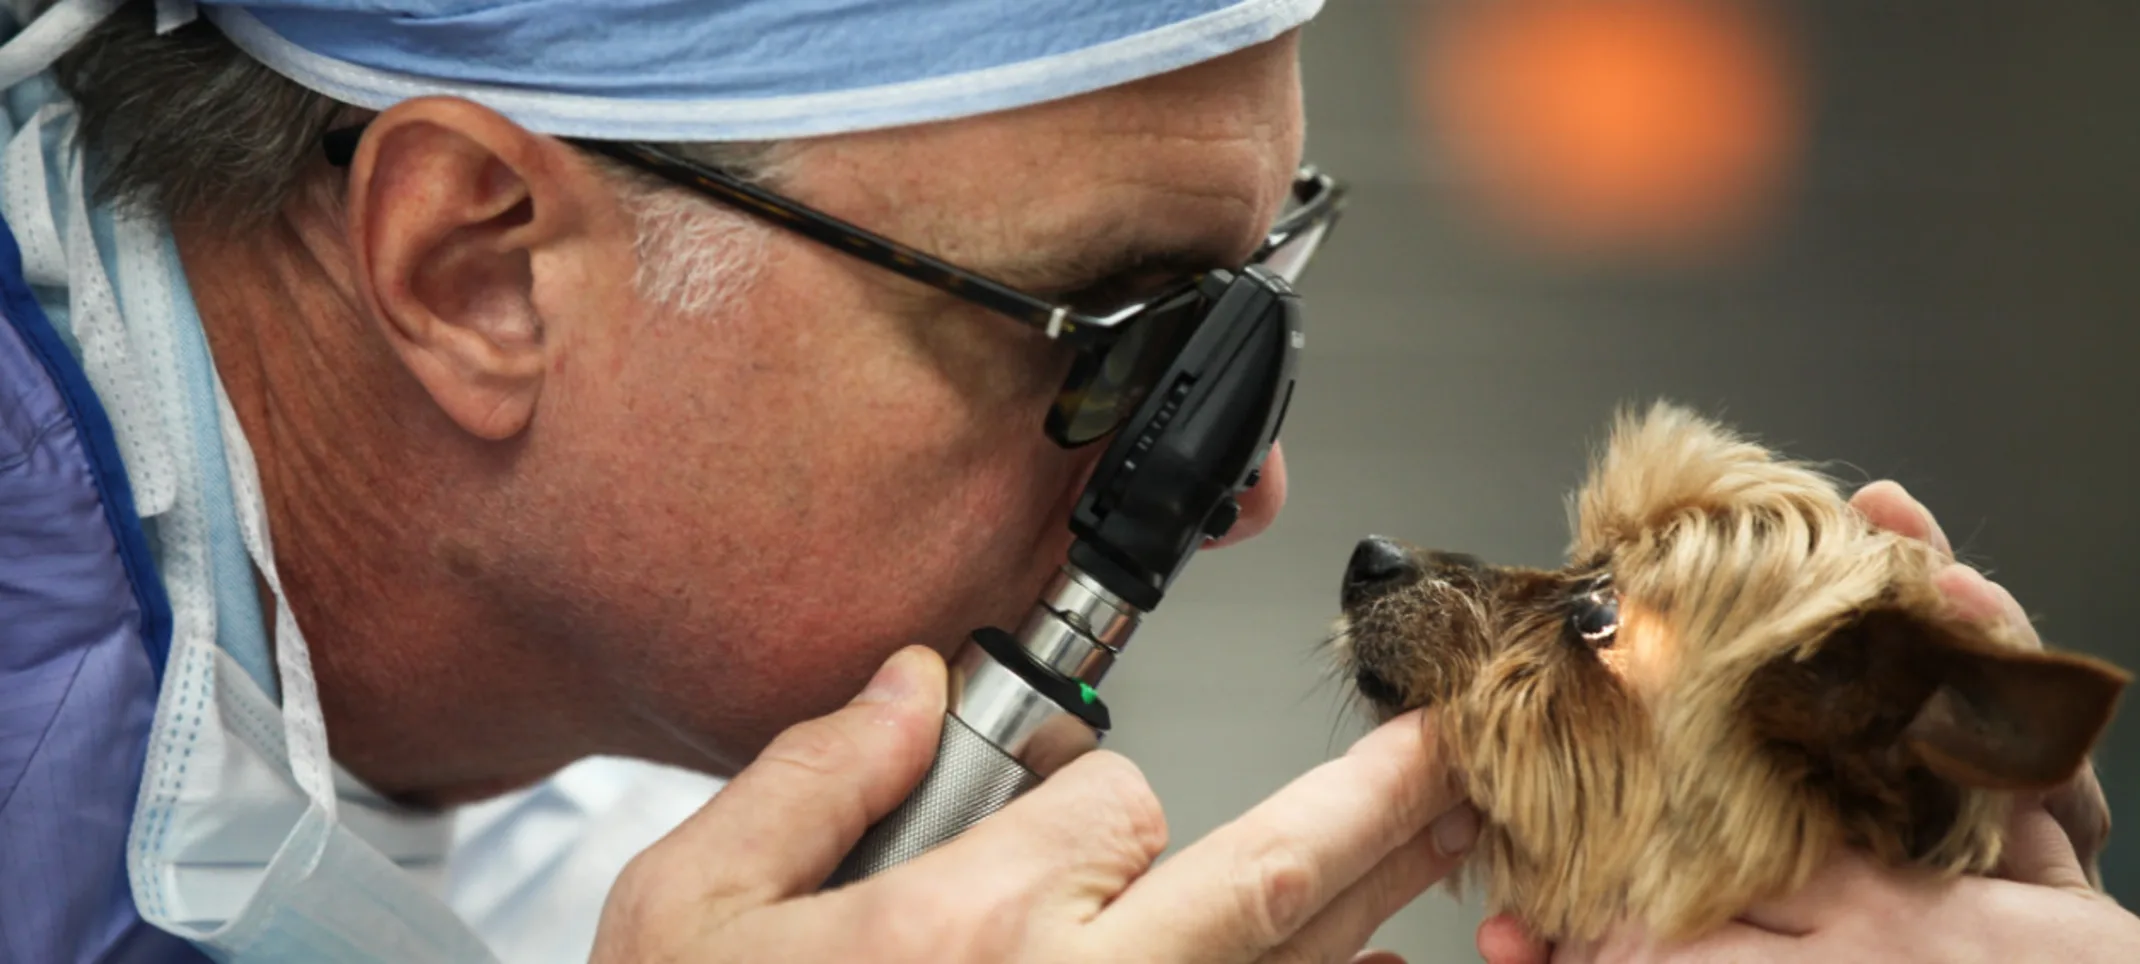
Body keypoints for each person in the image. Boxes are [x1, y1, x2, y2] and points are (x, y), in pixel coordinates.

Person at [0, 1, 2129, 963]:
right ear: (475, 263)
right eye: (1120, 340)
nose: (1238, 487)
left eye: (1254, 306)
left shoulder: (646, 741)